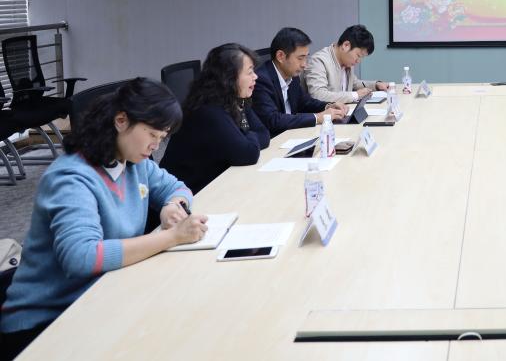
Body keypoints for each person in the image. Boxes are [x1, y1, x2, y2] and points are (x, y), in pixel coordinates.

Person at [0, 79, 207, 360]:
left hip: (98, 297)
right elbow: (82, 257)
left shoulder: (135, 162)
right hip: (45, 322)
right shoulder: (71, 178)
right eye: (152, 134)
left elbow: (177, 188)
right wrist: (170, 237)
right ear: (121, 121)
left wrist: (172, 206)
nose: (156, 145)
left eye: (162, 137)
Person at [161, 43, 271, 194]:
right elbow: (248, 154)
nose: (255, 77)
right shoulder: (208, 110)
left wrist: (246, 137)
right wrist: (247, 136)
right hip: (189, 194)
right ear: (229, 77)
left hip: (217, 182)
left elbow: (264, 133)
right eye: (250, 72)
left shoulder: (236, 99)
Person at [252, 27, 346, 136]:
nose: (304, 64)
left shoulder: (292, 74)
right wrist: (317, 117)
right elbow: (273, 119)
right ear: (280, 56)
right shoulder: (260, 80)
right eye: (300, 58)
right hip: (274, 140)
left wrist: (328, 106)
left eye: (306, 58)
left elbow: (305, 102)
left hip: (292, 134)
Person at [303, 24, 388, 104]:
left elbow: (354, 84)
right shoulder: (319, 61)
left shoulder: (346, 62)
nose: (358, 61)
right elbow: (318, 95)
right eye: (358, 55)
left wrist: (376, 85)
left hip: (343, 111)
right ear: (346, 45)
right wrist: (355, 95)